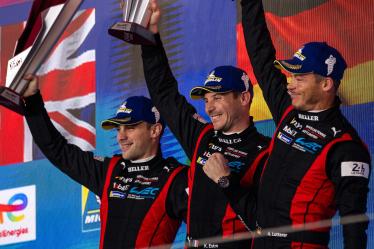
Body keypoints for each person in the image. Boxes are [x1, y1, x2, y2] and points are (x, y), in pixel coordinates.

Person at [206, 0, 371, 248]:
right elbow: (261, 55)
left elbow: (354, 225)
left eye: (300, 77)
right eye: (291, 75)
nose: (290, 84)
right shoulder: (287, 111)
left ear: (326, 84)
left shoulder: (346, 146)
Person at [140, 1, 270, 248]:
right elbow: (164, 94)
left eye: (218, 98)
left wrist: (226, 181)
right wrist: (150, 37)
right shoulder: (202, 137)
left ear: (244, 98)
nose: (209, 108)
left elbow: (266, 224)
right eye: (207, 99)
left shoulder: (266, 153)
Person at [22, 75, 188, 249]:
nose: (121, 137)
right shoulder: (109, 170)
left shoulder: (176, 177)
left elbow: (205, 228)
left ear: (155, 130)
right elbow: (57, 150)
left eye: (130, 127)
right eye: (118, 129)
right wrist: (32, 100)